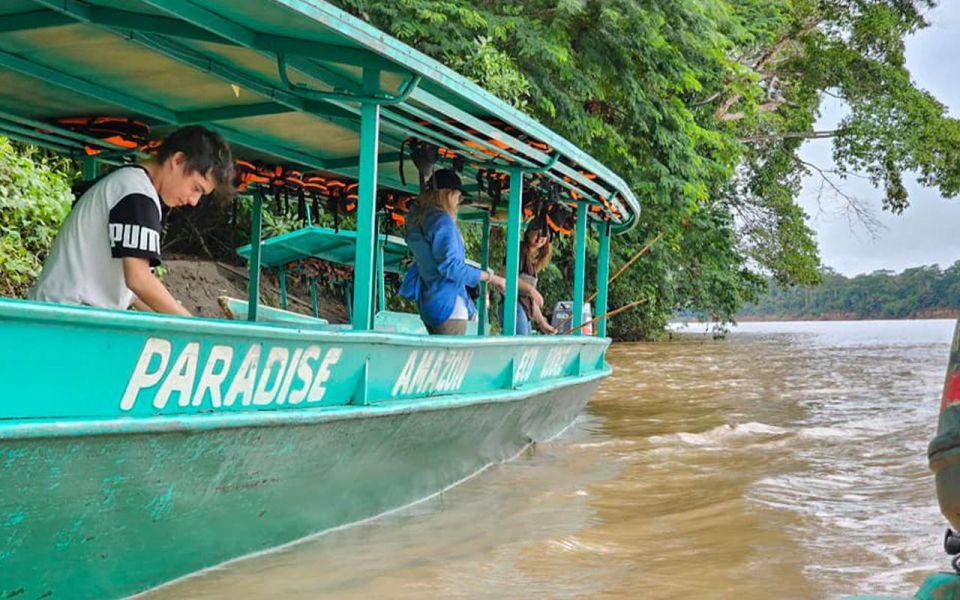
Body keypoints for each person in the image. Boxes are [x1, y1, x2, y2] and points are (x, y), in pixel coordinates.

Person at [29, 126, 234, 316]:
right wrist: (193, 327)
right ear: (178, 160)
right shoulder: (136, 193)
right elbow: (138, 279)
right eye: (196, 188)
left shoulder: (132, 186)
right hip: (64, 319)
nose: (193, 201)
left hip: (63, 315)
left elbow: (134, 292)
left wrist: (173, 318)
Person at [400, 169, 505, 334]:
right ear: (448, 194)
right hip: (449, 305)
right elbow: (451, 267)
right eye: (458, 196)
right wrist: (492, 278)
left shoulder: (417, 220)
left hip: (429, 301)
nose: (459, 201)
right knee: (452, 359)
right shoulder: (442, 221)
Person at [502, 223, 557, 335]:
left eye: (544, 235)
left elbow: (529, 300)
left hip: (524, 310)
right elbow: (505, 277)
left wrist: (542, 323)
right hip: (513, 307)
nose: (540, 238)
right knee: (520, 348)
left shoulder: (532, 261)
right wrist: (531, 290)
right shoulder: (519, 249)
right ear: (528, 233)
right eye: (537, 233)